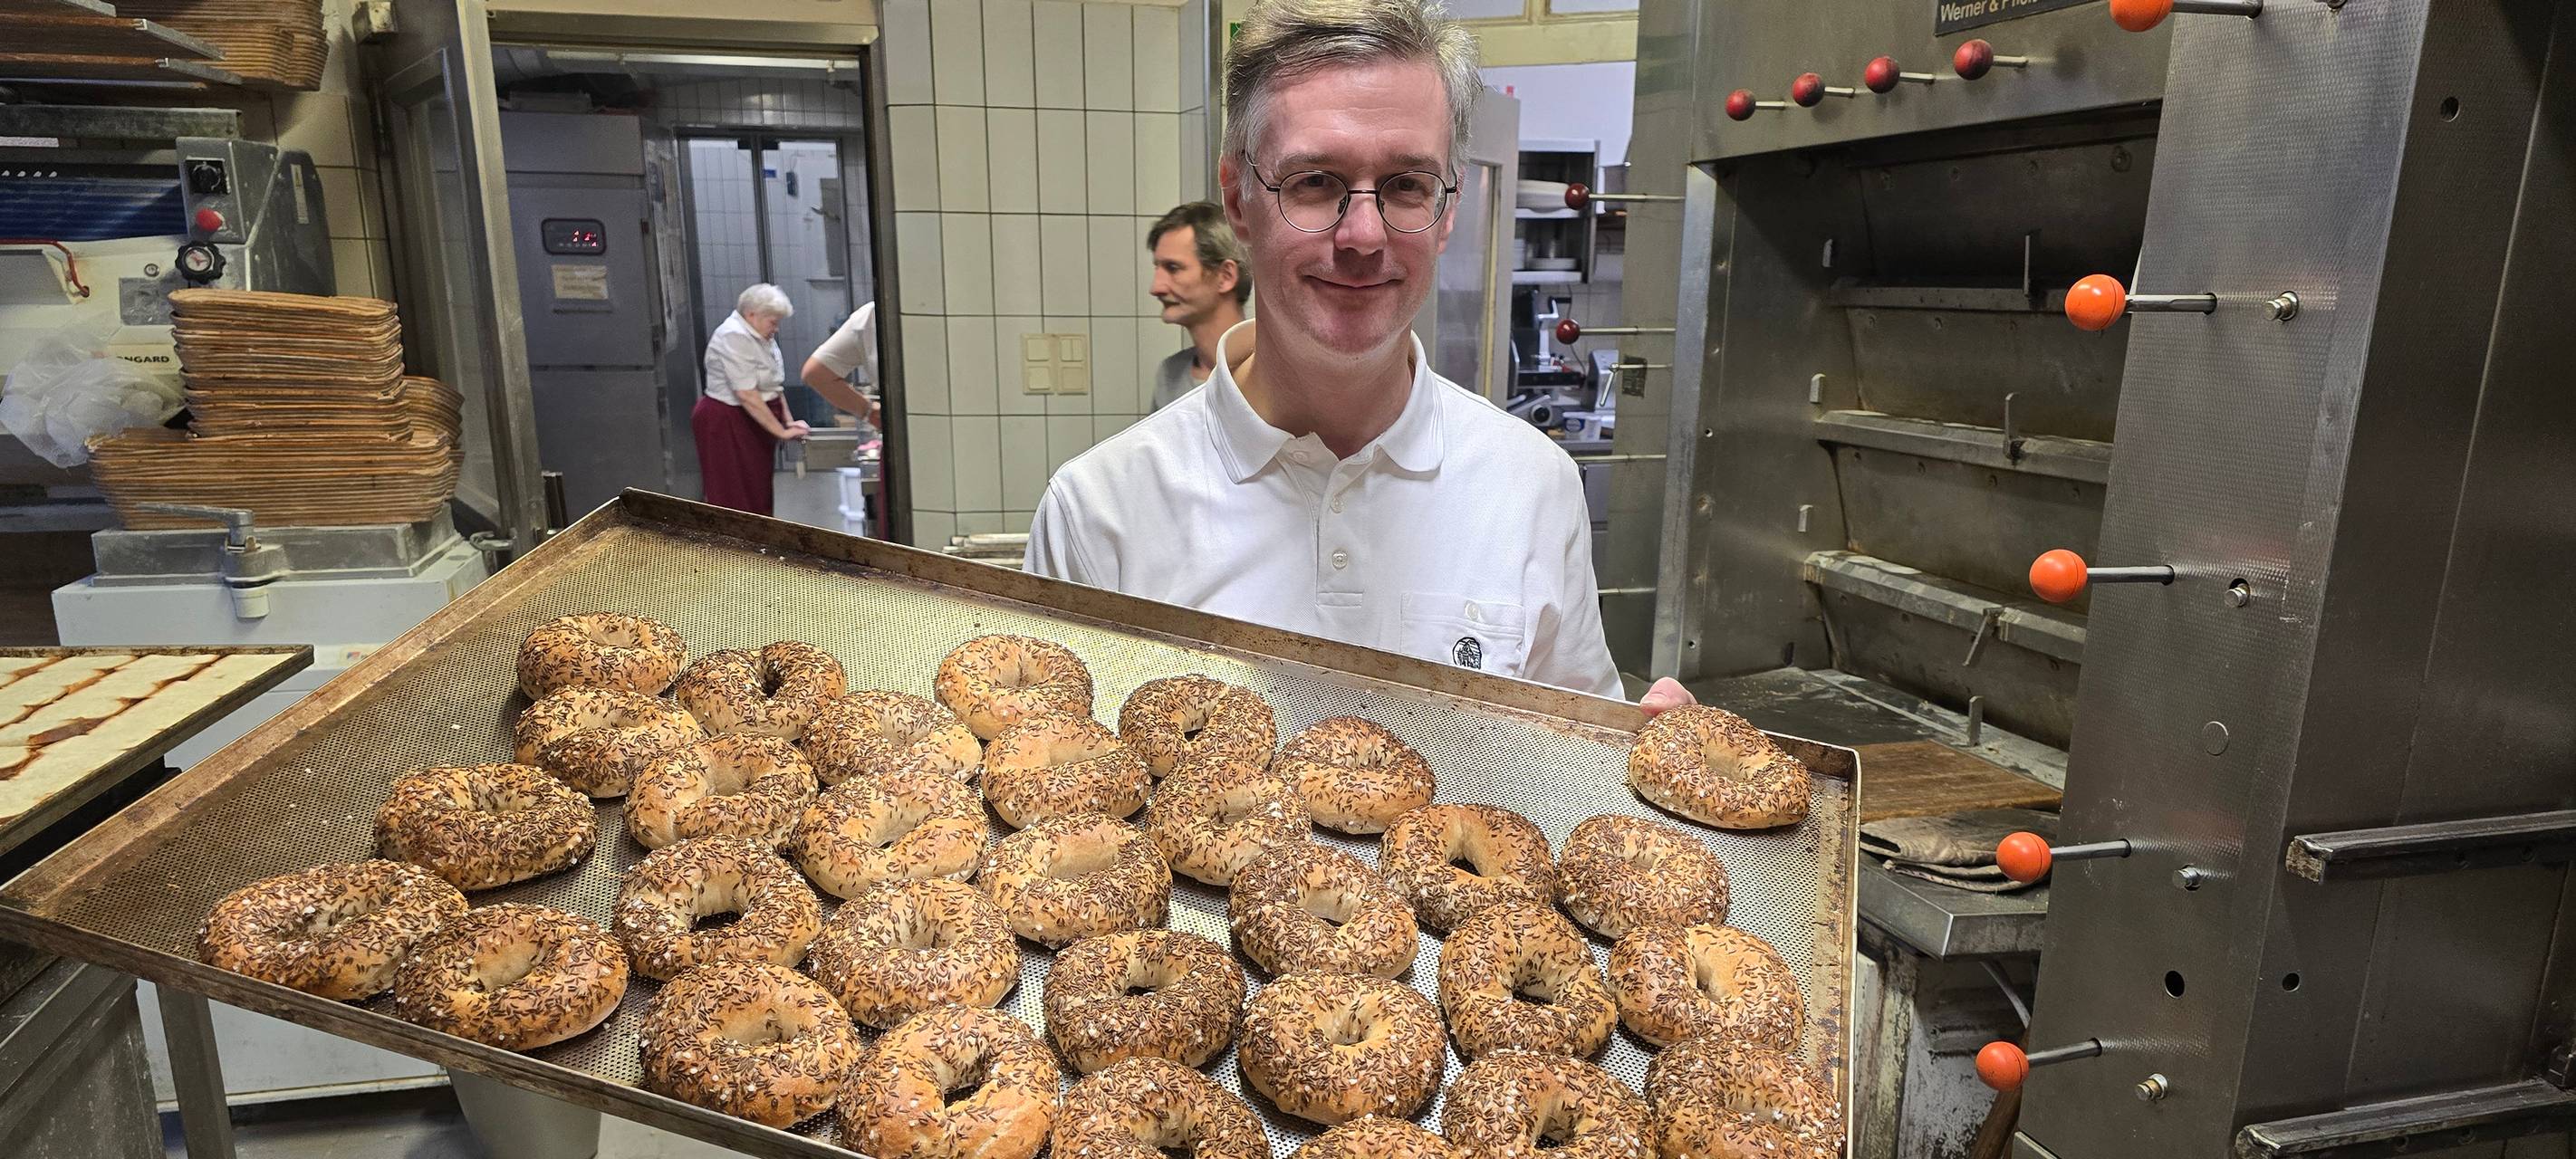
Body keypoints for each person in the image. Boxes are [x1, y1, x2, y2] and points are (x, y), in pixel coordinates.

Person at [1026, 0, 1691, 714]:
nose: (1364, 236)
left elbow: (1574, 758)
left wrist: (1641, 763)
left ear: (1447, 212)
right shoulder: (1101, 512)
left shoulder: (1532, 488)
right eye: (1314, 181)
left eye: (1407, 185)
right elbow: (1046, 764)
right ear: (1239, 202)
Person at [692, 283, 809, 515]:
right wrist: (781, 432)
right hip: (727, 421)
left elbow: (774, 386)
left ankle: (760, 534)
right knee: (735, 495)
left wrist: (788, 422)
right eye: (773, 322)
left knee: (757, 490)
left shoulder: (761, 335)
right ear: (752, 314)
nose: (776, 329)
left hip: (754, 419)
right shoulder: (734, 335)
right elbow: (747, 394)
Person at [1146, 202, 1250, 412]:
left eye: (1173, 268)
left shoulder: (1275, 375)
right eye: (1158, 268)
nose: (1156, 288)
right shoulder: (1170, 375)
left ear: (1226, 276)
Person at [801, 300, 886, 432]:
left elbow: (816, 374)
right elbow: (815, 374)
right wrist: (868, 410)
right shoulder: (869, 316)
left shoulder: (870, 315)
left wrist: (869, 411)